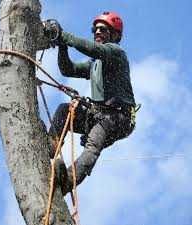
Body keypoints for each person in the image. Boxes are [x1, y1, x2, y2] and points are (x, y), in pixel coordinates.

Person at [45, 12, 136, 194]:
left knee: (93, 144)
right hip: (99, 114)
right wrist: (62, 45)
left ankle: (69, 179)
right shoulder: (95, 64)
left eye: (104, 29)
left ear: (115, 35)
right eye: (96, 29)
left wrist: (64, 36)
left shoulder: (116, 53)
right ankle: (52, 144)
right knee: (64, 111)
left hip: (119, 116)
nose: (98, 32)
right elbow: (67, 69)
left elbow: (96, 49)